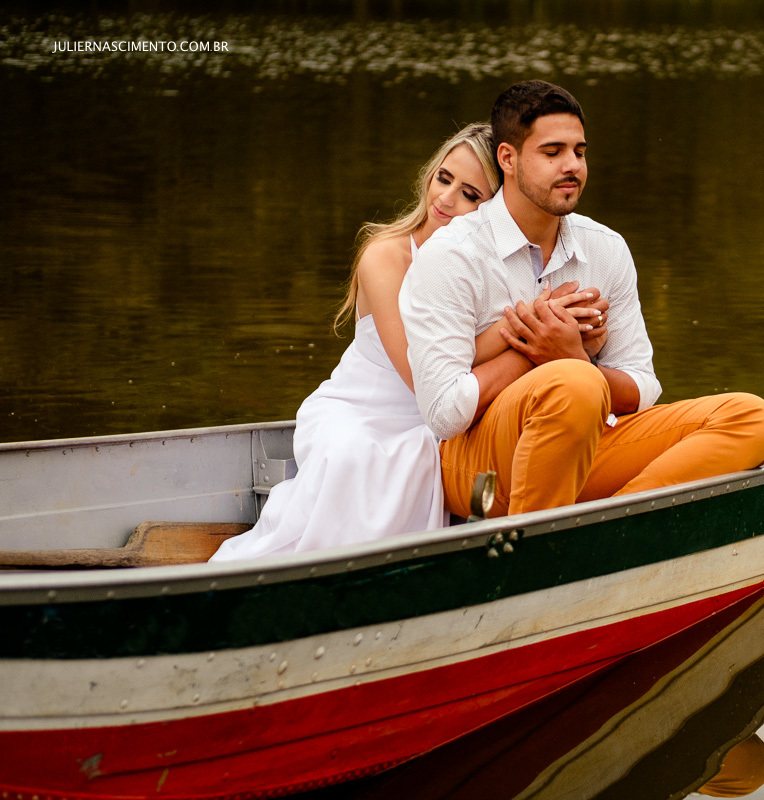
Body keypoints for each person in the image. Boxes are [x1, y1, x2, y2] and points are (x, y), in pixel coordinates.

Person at [210, 122, 597, 560]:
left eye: (470, 195)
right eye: (443, 178)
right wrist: (533, 334)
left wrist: (572, 333)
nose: (445, 199)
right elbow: (422, 371)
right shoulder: (386, 255)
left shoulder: (496, 268)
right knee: (359, 458)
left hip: (453, 417)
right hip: (369, 411)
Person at [399, 81, 764, 520]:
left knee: (750, 418)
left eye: (579, 152)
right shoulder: (452, 255)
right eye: (552, 152)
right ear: (508, 158)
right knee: (573, 383)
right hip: (478, 467)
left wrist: (574, 355)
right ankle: (537, 544)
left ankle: (616, 530)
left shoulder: (606, 248)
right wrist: (540, 352)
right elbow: (444, 413)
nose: (572, 166)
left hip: (586, 445)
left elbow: (643, 388)